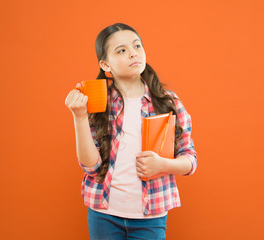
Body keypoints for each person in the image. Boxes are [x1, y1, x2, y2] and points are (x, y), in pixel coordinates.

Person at [64, 23, 197, 240]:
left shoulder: (167, 101)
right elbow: (91, 166)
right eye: (122, 50)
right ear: (105, 64)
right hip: (104, 214)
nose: (133, 53)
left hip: (151, 216)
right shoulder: (98, 103)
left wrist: (163, 165)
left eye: (137, 46)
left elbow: (190, 160)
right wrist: (78, 116)